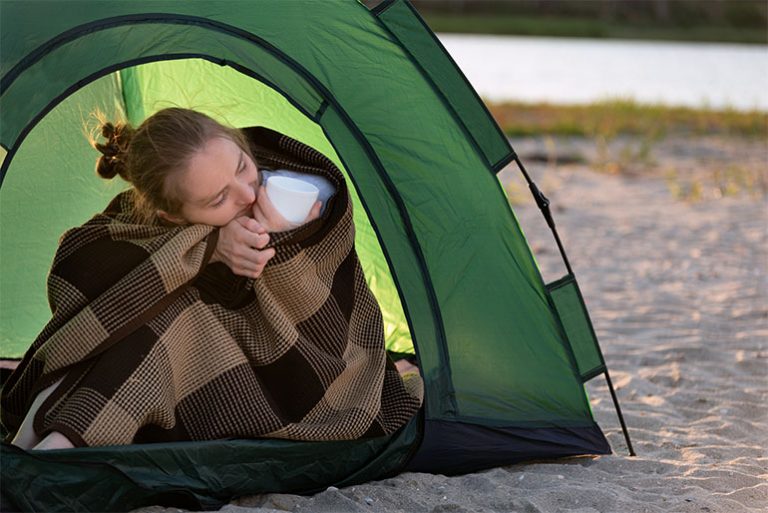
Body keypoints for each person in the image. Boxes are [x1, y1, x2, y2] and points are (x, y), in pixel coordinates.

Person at [1, 108, 422, 450]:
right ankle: (43, 433)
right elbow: (80, 267)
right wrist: (208, 246)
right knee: (139, 313)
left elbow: (313, 305)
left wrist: (277, 241)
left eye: (242, 166)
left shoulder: (289, 190)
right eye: (218, 199)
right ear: (171, 215)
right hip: (175, 360)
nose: (247, 194)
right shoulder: (145, 216)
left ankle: (59, 439)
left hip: (288, 375)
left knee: (173, 323)